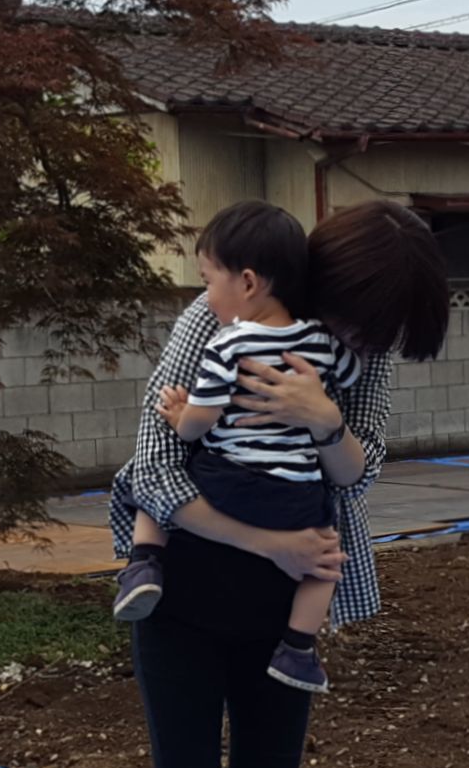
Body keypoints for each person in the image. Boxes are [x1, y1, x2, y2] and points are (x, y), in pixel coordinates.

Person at [111, 198, 450, 768]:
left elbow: (364, 466)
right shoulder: (217, 317)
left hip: (286, 606)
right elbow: (151, 462)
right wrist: (265, 544)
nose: (359, 341)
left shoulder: (355, 351)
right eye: (354, 320)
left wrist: (322, 416)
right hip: (183, 590)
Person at [113, 201, 363, 695]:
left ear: (247, 283)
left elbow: (195, 426)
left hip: (228, 480)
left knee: (154, 486)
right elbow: (350, 377)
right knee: (325, 560)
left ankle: (144, 561)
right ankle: (299, 649)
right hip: (296, 495)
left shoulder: (229, 342)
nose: (206, 299)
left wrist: (182, 417)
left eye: (207, 282)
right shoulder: (324, 341)